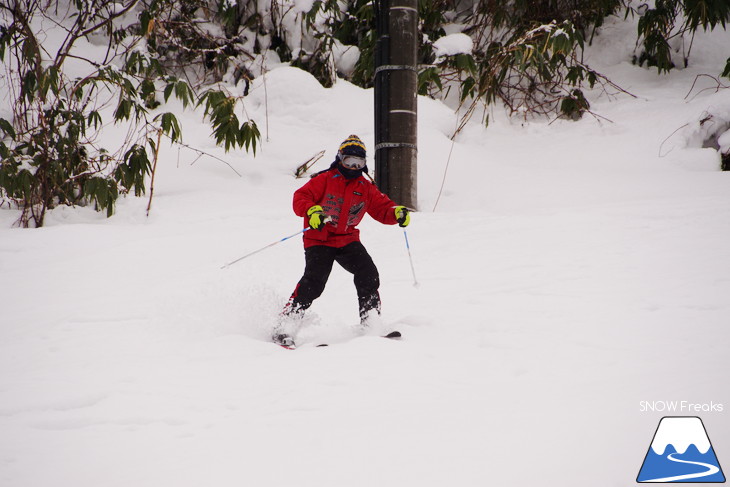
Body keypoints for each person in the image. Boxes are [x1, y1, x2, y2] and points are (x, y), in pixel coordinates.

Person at [274, 135, 410, 347]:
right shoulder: (324, 179)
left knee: (368, 273)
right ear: (339, 159)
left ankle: (370, 321)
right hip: (319, 238)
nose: (354, 167)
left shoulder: (365, 187)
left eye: (359, 163)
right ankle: (285, 325)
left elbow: (383, 209)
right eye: (349, 161)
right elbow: (300, 197)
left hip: (346, 239)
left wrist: (397, 212)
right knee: (314, 282)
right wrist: (312, 211)